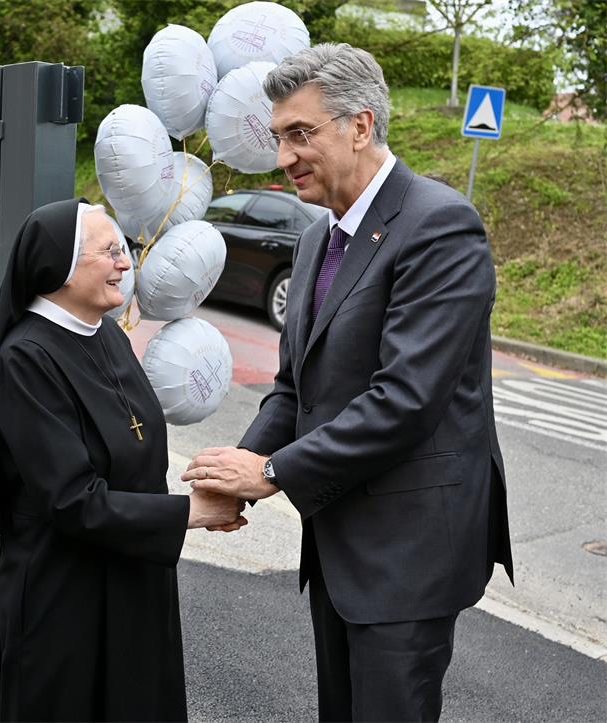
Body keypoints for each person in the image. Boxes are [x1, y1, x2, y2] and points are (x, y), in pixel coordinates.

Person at [182, 44, 513, 721]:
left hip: (409, 552)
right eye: (279, 137)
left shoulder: (439, 225)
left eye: (300, 134)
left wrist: (270, 471)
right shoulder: (315, 239)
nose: (284, 157)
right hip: (339, 539)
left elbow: (406, 400)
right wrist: (232, 474)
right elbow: (294, 389)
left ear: (360, 126)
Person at [0, 199, 245, 722]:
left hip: (134, 579)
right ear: (60, 265)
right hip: (66, 596)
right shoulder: (26, 357)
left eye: (123, 250)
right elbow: (71, 499)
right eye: (109, 251)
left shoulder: (105, 332)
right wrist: (191, 512)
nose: (125, 263)